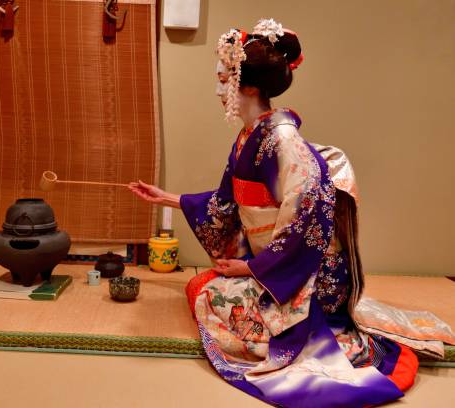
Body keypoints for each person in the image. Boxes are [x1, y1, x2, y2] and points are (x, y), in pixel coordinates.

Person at [129, 18, 434, 407]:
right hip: (274, 264)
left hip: (303, 275)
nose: (218, 90)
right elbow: (225, 202)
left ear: (250, 88)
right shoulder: (249, 136)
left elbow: (311, 215)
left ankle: (319, 331)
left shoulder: (283, 141)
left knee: (212, 299)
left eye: (225, 80)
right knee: (205, 290)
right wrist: (167, 199)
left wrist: (253, 268)